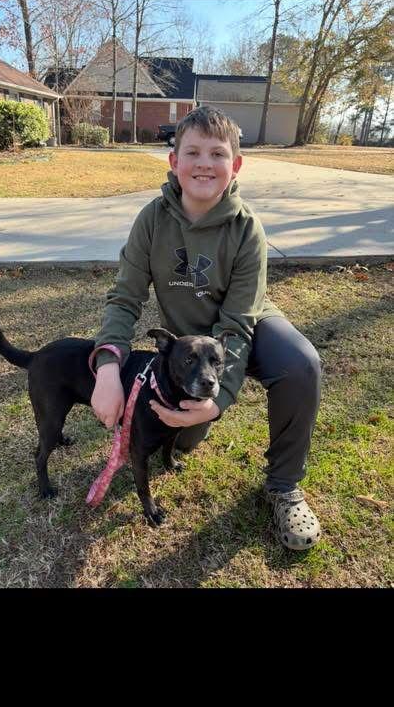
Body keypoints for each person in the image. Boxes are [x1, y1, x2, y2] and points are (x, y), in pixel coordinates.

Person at [91, 106, 322, 550]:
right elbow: (124, 299)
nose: (203, 163)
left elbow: (237, 322)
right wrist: (106, 367)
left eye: (217, 153)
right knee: (185, 438)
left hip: (244, 322)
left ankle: (284, 486)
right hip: (186, 344)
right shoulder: (152, 220)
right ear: (173, 161)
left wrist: (220, 400)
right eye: (191, 152)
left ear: (235, 165)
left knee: (301, 363)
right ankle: (194, 421)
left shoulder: (246, 227)